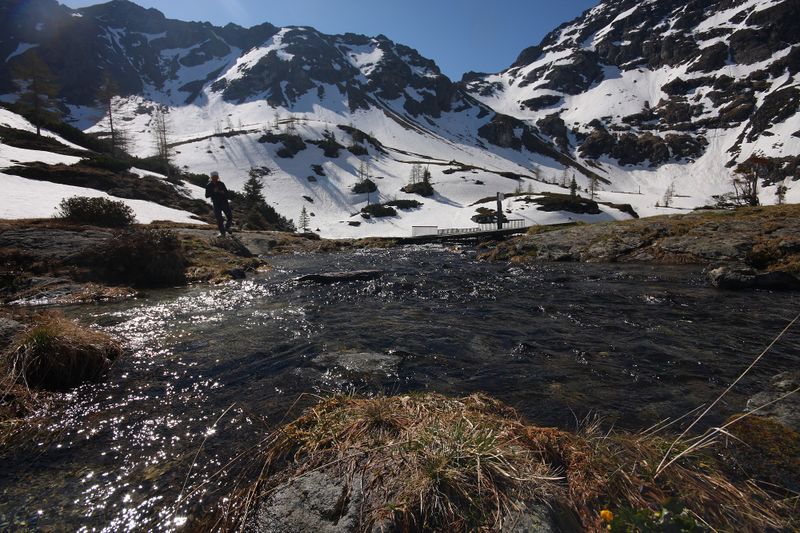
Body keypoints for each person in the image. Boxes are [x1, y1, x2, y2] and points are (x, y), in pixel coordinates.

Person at [205, 170, 233, 236]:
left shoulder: (221, 184)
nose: (215, 178)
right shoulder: (209, 185)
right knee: (219, 218)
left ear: (218, 177)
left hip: (224, 202)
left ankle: (226, 227)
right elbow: (206, 195)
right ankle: (222, 233)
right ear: (211, 177)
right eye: (213, 177)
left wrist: (223, 192)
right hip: (216, 203)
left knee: (230, 217)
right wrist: (213, 191)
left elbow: (227, 193)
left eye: (216, 177)